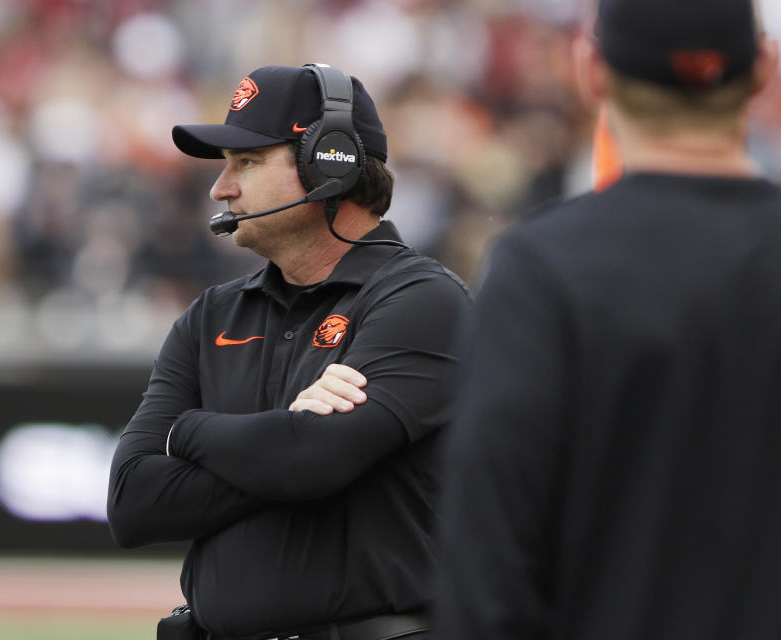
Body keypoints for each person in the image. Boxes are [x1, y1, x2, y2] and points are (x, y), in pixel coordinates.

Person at [434, 1, 781, 638]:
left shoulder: (542, 268)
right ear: (763, 68)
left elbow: (488, 568)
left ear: (591, 70)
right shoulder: (542, 269)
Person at [107, 63, 470, 640]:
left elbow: (311, 462)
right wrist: (288, 436)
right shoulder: (211, 316)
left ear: (330, 161)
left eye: (247, 163)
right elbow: (133, 503)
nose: (220, 189)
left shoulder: (423, 301)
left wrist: (190, 433)